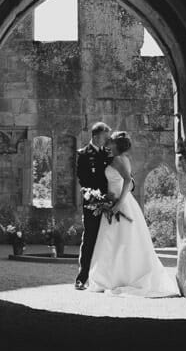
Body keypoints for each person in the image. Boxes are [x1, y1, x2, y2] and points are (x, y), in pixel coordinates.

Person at [84, 131, 180, 297]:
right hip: (115, 201)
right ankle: (111, 277)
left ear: (116, 144)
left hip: (120, 204)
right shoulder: (121, 158)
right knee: (116, 240)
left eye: (111, 141)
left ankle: (116, 278)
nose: (108, 143)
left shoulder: (119, 159)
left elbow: (128, 181)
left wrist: (118, 204)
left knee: (118, 239)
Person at [74, 122, 113, 290]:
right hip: (92, 204)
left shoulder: (108, 154)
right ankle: (82, 278)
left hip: (110, 204)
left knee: (109, 240)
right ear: (96, 136)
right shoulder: (83, 154)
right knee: (89, 239)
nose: (108, 140)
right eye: (105, 137)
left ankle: (105, 279)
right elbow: (83, 180)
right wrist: (96, 197)